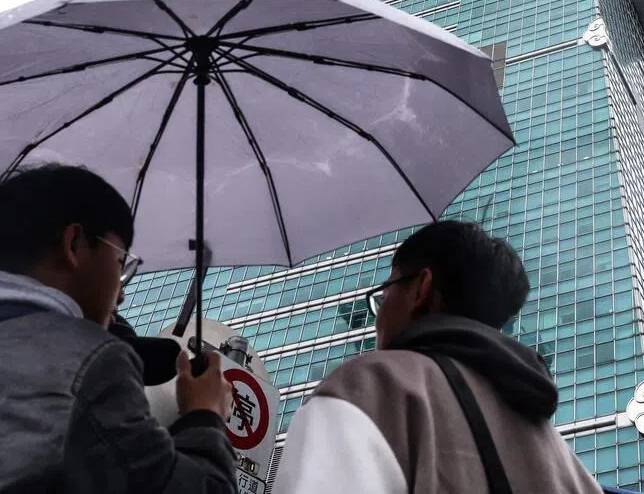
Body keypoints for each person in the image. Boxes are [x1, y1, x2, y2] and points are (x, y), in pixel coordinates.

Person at [274, 220, 602, 494]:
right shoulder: (569, 468)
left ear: (421, 288)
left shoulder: (374, 387)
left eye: (385, 292)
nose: (378, 314)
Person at [0, 163, 237, 492]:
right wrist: (205, 413)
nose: (122, 293)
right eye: (119, 262)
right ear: (75, 243)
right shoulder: (92, 358)